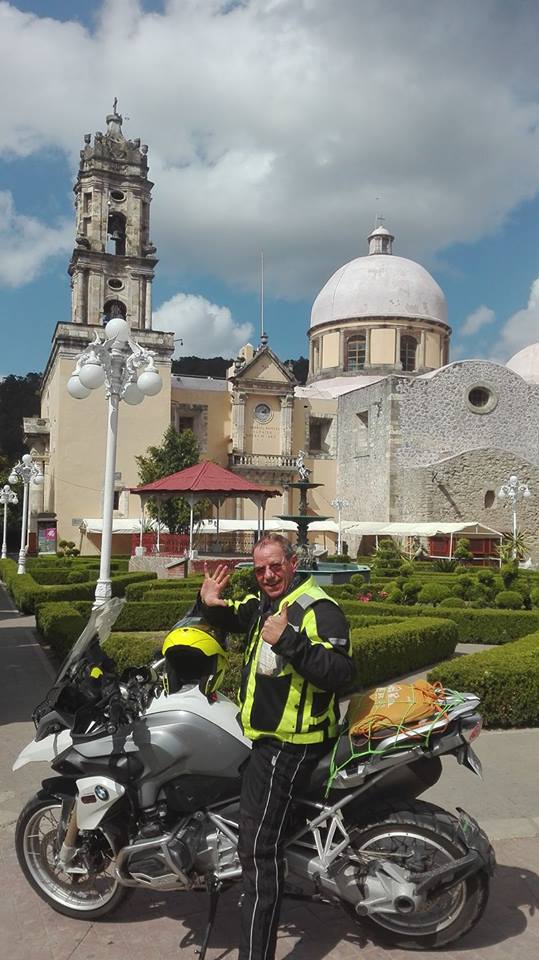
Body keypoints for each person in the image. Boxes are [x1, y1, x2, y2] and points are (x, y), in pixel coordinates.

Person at [199, 534, 355, 960]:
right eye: (261, 569)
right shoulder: (266, 605)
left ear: (293, 561)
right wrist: (209, 603)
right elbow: (235, 617)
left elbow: (340, 672)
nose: (268, 575)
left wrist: (289, 640)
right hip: (266, 739)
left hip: (289, 748)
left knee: (257, 854)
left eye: (275, 566)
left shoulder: (318, 609)